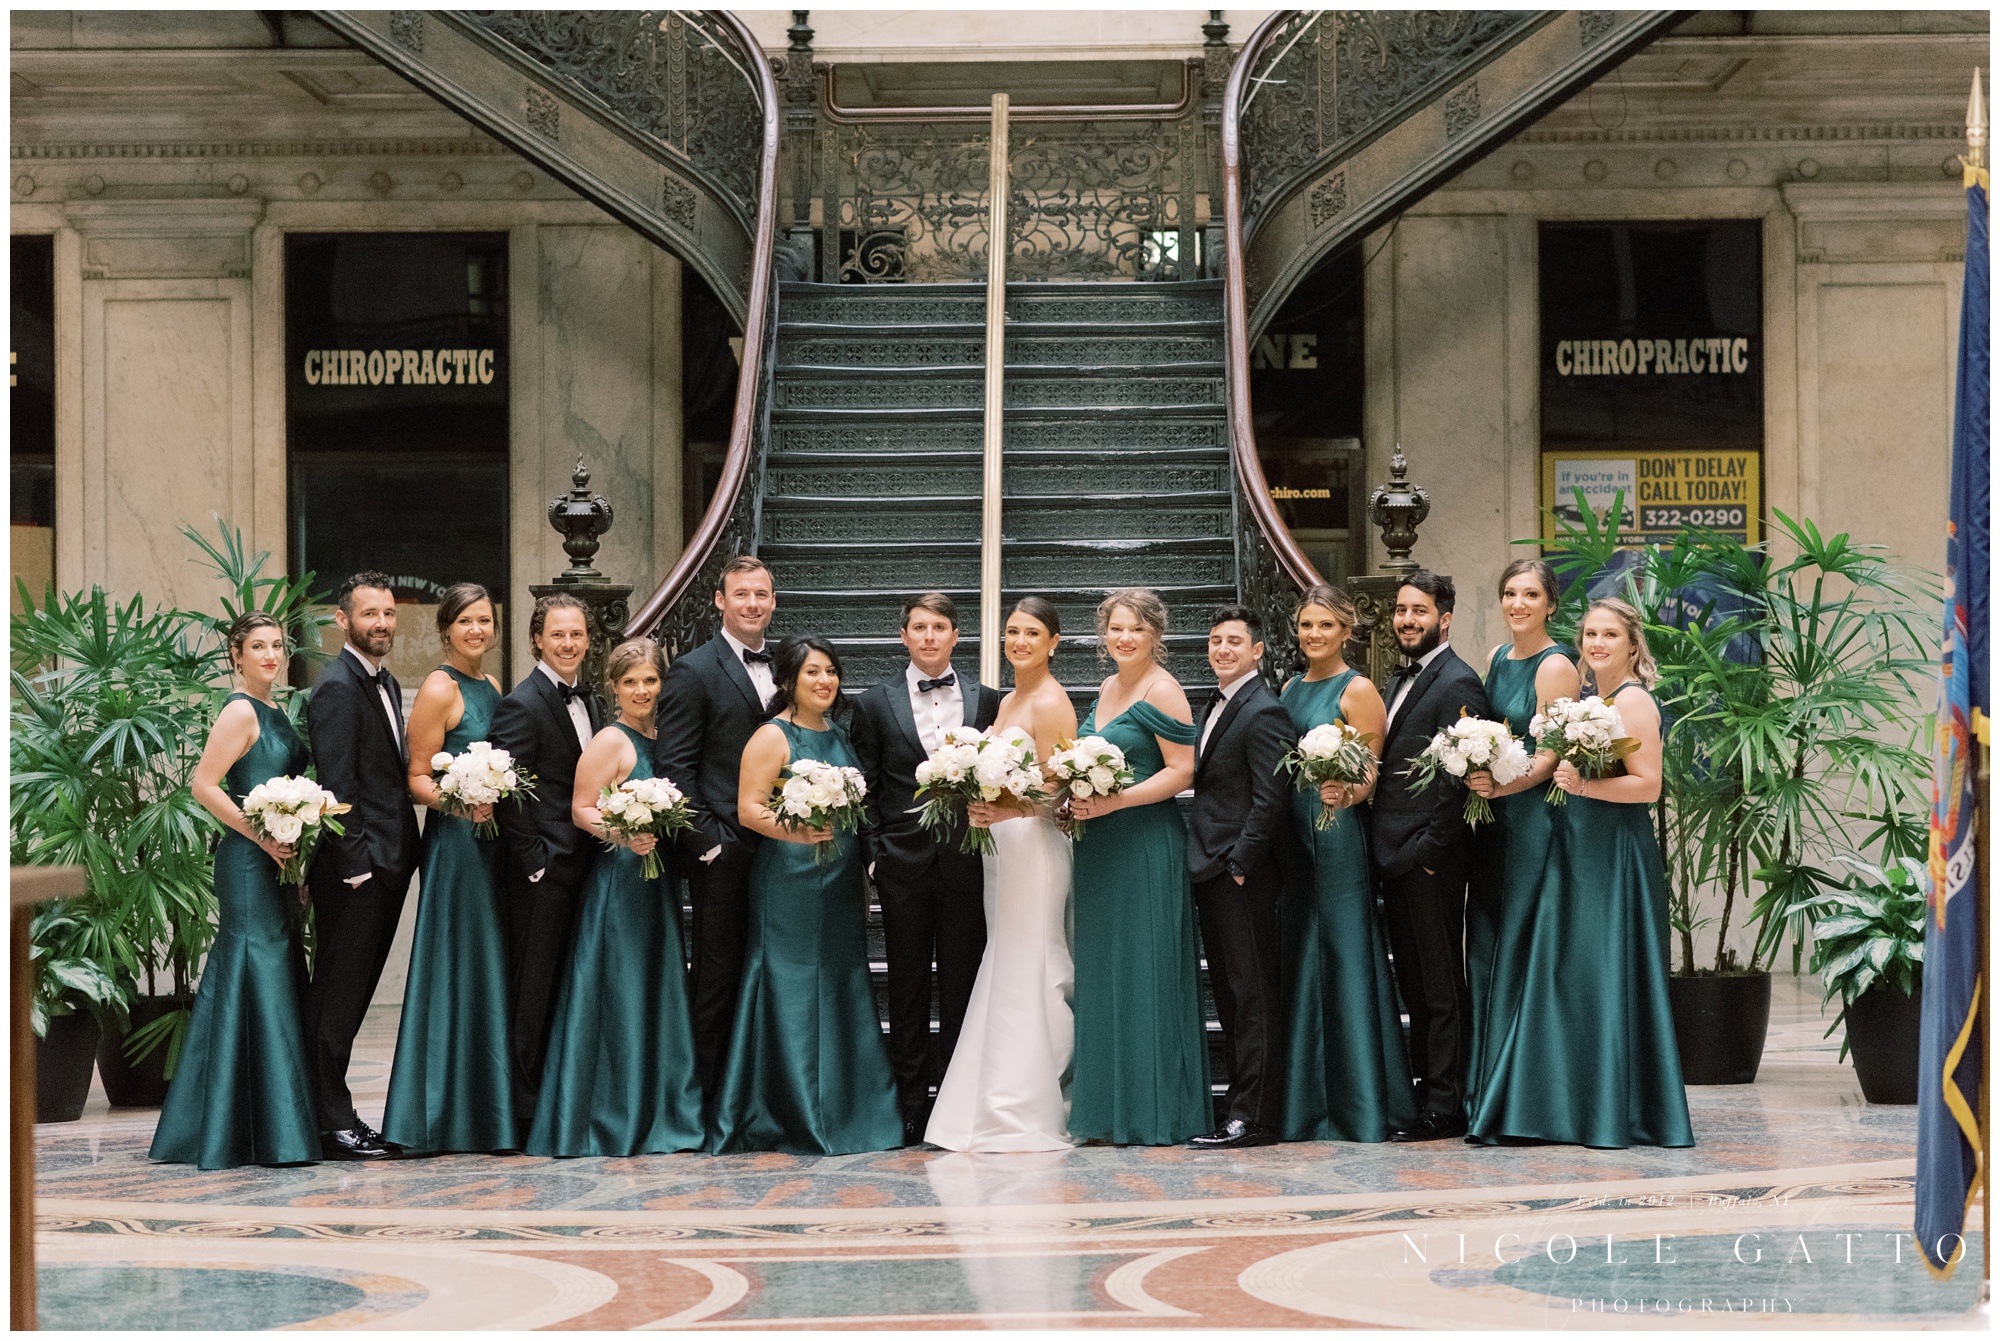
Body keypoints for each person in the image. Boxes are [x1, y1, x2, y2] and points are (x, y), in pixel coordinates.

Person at [1468, 599, 1694, 1148]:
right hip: (1574, 849)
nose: (1596, 644)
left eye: (1609, 635)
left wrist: (1583, 786)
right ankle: (1566, 1104)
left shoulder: (1634, 702)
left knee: (1603, 972)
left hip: (1612, 856)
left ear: (1632, 645)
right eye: (1590, 634)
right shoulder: (1592, 699)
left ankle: (1611, 1110)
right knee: (1571, 975)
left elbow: (1649, 786)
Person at [708, 636, 902, 1154]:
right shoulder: (772, 736)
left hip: (837, 882)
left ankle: (847, 1108)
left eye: (831, 672)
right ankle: (785, 1110)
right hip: (788, 881)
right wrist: (797, 834)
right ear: (789, 680)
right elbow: (748, 808)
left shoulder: (840, 732)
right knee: (789, 987)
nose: (824, 681)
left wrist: (860, 873)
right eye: (813, 672)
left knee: (840, 984)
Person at [151, 614, 321, 1169]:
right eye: (259, 647)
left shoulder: (276, 709)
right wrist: (263, 836)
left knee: (269, 973)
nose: (271, 655)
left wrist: (292, 857)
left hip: (277, 862)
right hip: (248, 862)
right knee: (258, 968)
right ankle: (261, 1132)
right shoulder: (239, 710)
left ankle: (254, 1123)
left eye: (277, 646)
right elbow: (203, 785)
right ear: (236, 654)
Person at [529, 637, 704, 1157]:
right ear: (614, 688)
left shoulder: (665, 735)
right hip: (620, 882)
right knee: (621, 994)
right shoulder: (610, 740)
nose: (642, 690)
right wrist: (623, 834)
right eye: (631, 682)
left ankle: (663, 1110)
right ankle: (612, 1115)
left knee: (657, 993)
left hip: (657, 884)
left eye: (650, 680)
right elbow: (582, 808)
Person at [850, 593, 1005, 1145]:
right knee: (908, 987)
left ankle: (957, 1103)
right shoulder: (872, 704)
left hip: (969, 863)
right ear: (904, 636)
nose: (930, 636)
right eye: (920, 627)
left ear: (957, 636)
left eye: (940, 626)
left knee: (964, 985)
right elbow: (865, 785)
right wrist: (873, 852)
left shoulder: (989, 701)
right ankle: (911, 1105)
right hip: (902, 866)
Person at [927, 597, 1079, 1153]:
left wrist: (1008, 809)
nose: (1019, 642)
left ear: (1053, 643)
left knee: (1035, 962)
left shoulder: (1053, 701)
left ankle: (1030, 1099)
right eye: (1012, 632)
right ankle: (992, 1094)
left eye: (1032, 634)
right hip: (1001, 851)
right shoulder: (1010, 698)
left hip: (1035, 849)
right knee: (1006, 960)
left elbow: (1060, 785)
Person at [1065, 589, 1210, 1146]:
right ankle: (1106, 1111)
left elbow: (1182, 772)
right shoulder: (1106, 687)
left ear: (1156, 636)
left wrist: (1115, 801)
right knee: (1103, 976)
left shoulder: (1164, 690)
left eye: (1136, 629)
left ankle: (1152, 1111)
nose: (1124, 638)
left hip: (1145, 844)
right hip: (1098, 848)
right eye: (1116, 628)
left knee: (1145, 974)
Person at [1275, 585, 1416, 1143]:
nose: (1314, 635)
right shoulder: (1288, 687)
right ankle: (1304, 1100)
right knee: (1301, 957)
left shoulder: (1358, 690)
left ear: (1347, 630)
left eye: (1326, 627)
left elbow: (1371, 774)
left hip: (1336, 837)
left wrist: (1346, 795)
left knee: (1343, 957)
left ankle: (1357, 1103)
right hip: (1293, 840)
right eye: (1307, 625)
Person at [381, 584, 518, 1154]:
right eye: (465, 621)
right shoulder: (439, 688)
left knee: (491, 966)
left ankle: (489, 1111)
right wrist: (461, 801)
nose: (477, 630)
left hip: (494, 843)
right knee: (456, 964)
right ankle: (439, 1113)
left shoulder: (490, 685)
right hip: (458, 846)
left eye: (485, 621)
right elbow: (415, 777)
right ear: (446, 629)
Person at [1368, 570, 1490, 1143]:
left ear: (1444, 618)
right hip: (1393, 855)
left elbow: (1459, 779)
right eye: (1400, 610)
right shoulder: (1398, 680)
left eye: (1418, 611)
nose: (1407, 620)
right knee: (1415, 982)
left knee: (1439, 985)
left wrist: (1429, 852)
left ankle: (1446, 1104)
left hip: (1428, 859)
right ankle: (1427, 1093)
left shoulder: (1458, 682)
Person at [305, 571, 422, 1159]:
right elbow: (337, 784)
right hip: (358, 873)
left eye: (388, 613)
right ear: (342, 620)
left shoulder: (387, 681)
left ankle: (334, 1112)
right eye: (369, 614)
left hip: (389, 865)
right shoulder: (334, 689)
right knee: (338, 999)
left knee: (352, 997)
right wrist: (358, 866)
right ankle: (332, 1122)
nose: (381, 623)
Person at [657, 556, 778, 1106]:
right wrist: (708, 844)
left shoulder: (789, 664)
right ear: (719, 601)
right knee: (717, 978)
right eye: (742, 594)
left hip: (783, 850)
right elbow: (675, 768)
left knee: (769, 975)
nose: (753, 604)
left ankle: (761, 1092)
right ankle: (707, 1104)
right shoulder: (693, 669)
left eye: (762, 594)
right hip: (724, 852)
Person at [1462, 560, 1578, 1111]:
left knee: (1520, 941)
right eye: (1509, 593)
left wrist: (1502, 788)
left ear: (1550, 604)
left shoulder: (1556, 666)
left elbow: (1550, 752)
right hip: (1491, 818)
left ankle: (1520, 1086)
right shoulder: (1495, 658)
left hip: (1529, 817)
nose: (1518, 604)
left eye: (1530, 594)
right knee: (1485, 940)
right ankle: (1485, 1080)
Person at [1183, 606, 1299, 1149]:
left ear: (1257, 651)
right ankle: (1238, 1105)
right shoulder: (1220, 701)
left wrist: (1239, 866)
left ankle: (1253, 1117)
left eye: (1234, 642)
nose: (1222, 649)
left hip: (1240, 874)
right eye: (1214, 640)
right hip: (1211, 865)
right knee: (1231, 996)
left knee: (1252, 995)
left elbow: (1270, 800)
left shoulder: (1264, 711)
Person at [490, 593, 602, 1122]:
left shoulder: (594, 701)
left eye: (576, 634)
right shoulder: (521, 702)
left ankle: (559, 1100)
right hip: (544, 871)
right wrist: (534, 860)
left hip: (589, 866)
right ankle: (523, 1110)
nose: (568, 644)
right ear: (537, 639)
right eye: (557, 634)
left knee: (567, 984)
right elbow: (506, 788)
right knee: (532, 988)